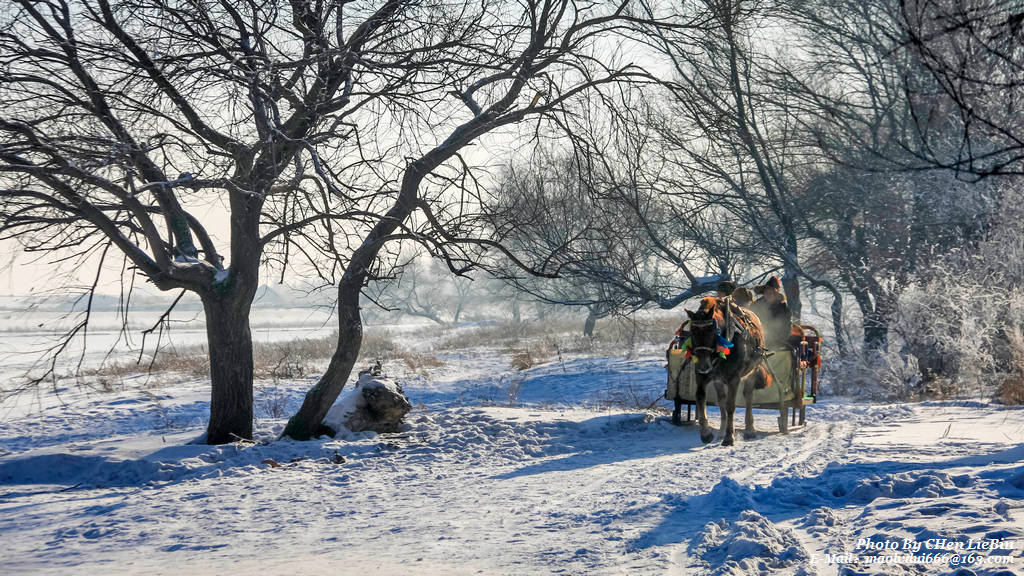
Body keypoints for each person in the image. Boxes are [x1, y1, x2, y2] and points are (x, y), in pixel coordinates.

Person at [749, 276, 792, 349]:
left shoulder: (783, 308)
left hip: (777, 343)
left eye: (771, 292)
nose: (768, 294)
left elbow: (786, 329)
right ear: (763, 293)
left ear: (776, 294)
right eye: (766, 292)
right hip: (756, 342)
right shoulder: (755, 306)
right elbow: (750, 324)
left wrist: (777, 341)